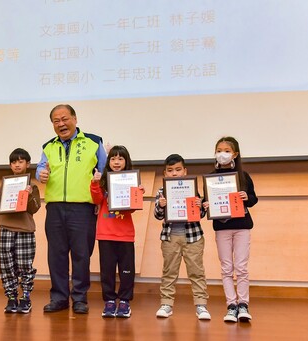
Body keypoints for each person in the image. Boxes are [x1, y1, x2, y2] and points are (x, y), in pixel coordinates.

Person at [36, 104, 107, 314]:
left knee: (81, 254)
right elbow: (41, 167)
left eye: (65, 119)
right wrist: (41, 174)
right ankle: (58, 297)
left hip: (83, 208)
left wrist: (99, 201)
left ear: (75, 119)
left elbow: (104, 172)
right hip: (55, 207)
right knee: (56, 255)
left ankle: (79, 298)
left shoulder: (94, 142)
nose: (61, 124)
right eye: (56, 121)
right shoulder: (48, 146)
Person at [202, 137, 258, 323]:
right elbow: (204, 203)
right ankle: (231, 305)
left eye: (227, 150)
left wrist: (245, 197)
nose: (222, 154)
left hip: (242, 226)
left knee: (241, 267)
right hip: (222, 227)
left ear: (235, 154)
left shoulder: (243, 175)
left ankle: (243, 304)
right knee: (226, 268)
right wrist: (206, 204)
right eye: (219, 150)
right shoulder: (211, 177)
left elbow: (253, 199)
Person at [153, 154, 211, 320]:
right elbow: (157, 215)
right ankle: (166, 304)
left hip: (193, 236)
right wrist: (161, 205)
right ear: (165, 173)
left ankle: (201, 305)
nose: (174, 173)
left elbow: (199, 214)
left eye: (178, 170)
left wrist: (201, 206)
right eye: (170, 170)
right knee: (169, 272)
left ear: (185, 171)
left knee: (196, 271)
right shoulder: (162, 191)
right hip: (170, 237)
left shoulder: (191, 188)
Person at [90, 145, 144, 318]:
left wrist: (138, 194)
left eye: (120, 158)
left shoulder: (131, 180)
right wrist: (95, 183)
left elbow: (133, 209)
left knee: (127, 270)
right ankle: (110, 301)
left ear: (126, 161)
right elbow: (96, 199)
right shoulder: (104, 181)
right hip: (105, 233)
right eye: (113, 158)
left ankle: (125, 302)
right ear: (108, 162)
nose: (116, 162)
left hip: (125, 235)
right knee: (107, 270)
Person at [0, 148, 41, 314]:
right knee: (6, 266)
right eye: (14, 162)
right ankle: (11, 297)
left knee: (25, 265)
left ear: (27, 164)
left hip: (25, 230)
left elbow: (34, 209)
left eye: (20, 161)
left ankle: (25, 297)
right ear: (10, 165)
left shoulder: (31, 185)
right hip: (6, 229)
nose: (17, 165)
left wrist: (30, 195)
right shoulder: (5, 184)